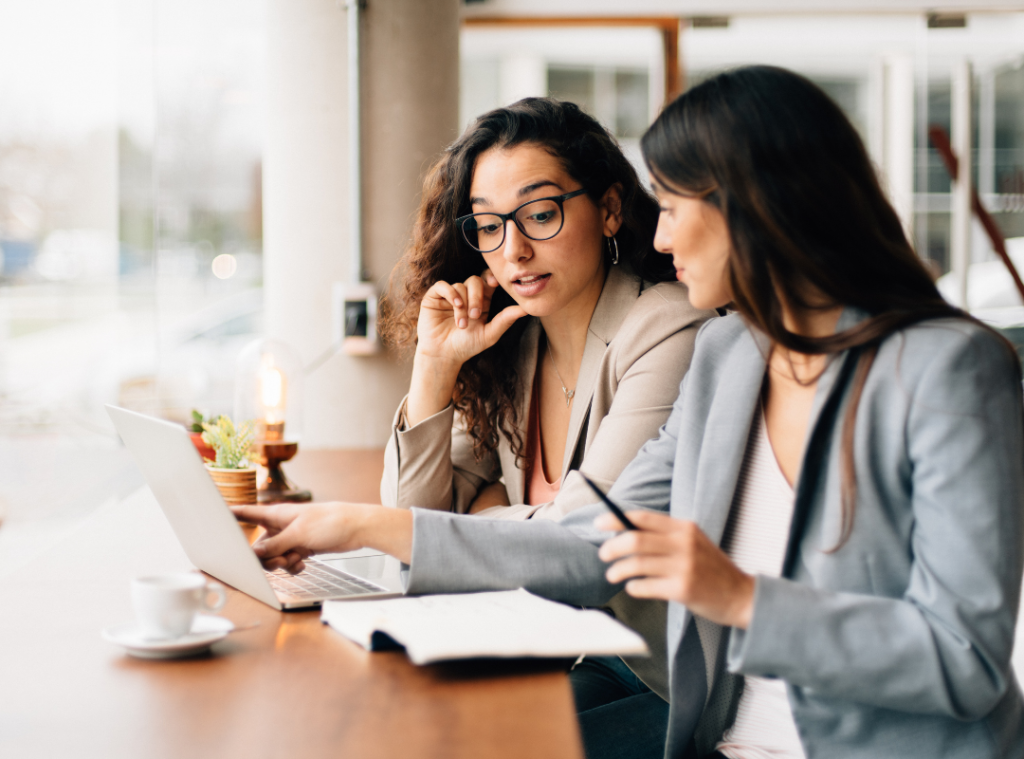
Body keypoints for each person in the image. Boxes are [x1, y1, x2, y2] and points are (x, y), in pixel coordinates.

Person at [235, 66, 1024, 759]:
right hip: (718, 735)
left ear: (759, 205)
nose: (663, 231)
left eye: (674, 205)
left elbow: (966, 659)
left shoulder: (949, 368)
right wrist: (361, 524)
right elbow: (588, 547)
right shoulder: (730, 356)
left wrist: (742, 597)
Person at [375, 98, 712, 715]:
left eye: (539, 214)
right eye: (489, 224)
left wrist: (483, 515)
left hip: (654, 673)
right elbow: (412, 521)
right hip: (545, 645)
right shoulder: (515, 340)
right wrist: (435, 366)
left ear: (609, 209)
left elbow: (584, 546)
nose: (513, 251)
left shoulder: (667, 328)